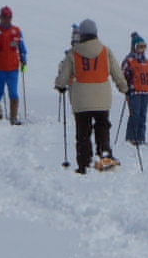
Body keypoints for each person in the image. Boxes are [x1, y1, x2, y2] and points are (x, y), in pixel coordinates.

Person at [54, 19, 128, 173]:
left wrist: (60, 86)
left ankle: (84, 163)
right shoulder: (106, 51)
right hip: (102, 98)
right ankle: (105, 155)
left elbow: (64, 75)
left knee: (83, 133)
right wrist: (124, 88)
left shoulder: (74, 53)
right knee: (102, 127)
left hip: (81, 100)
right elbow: (116, 73)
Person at [121, 33, 148, 145]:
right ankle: (131, 138)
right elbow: (122, 75)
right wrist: (127, 82)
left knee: (142, 116)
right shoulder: (129, 61)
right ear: (134, 47)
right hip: (134, 91)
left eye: (143, 47)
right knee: (135, 115)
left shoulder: (147, 62)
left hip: (145, 91)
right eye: (139, 46)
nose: (141, 49)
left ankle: (141, 138)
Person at [0, 6, 27, 123]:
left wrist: (24, 61)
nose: (6, 20)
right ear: (0, 17)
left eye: (9, 17)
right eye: (4, 17)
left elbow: (22, 48)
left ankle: (13, 117)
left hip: (13, 68)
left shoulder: (17, 31)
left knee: (13, 93)